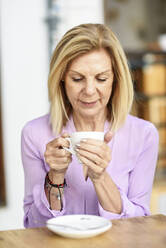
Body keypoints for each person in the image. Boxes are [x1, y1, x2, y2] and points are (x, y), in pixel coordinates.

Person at [21, 23, 159, 228]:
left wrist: (101, 177)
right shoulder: (35, 134)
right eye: (77, 79)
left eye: (101, 78)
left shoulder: (143, 135)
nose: (89, 90)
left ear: (116, 80)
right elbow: (33, 226)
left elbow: (140, 224)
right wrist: (55, 177)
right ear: (61, 80)